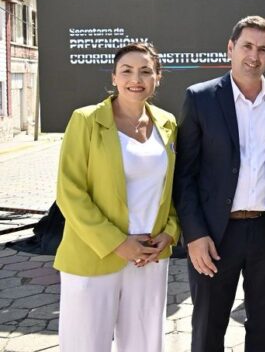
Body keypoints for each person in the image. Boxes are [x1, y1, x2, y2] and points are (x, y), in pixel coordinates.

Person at [173, 15, 265, 351]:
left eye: (263, 49)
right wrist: (194, 235)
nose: (255, 55)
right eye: (248, 46)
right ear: (231, 48)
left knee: (264, 326)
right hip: (215, 234)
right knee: (208, 328)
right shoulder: (200, 98)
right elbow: (185, 175)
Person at [55, 43, 179, 352]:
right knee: (86, 345)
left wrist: (170, 233)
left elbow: (173, 190)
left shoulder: (168, 124)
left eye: (146, 71)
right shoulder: (85, 120)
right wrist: (118, 243)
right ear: (114, 77)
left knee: (145, 345)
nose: (135, 78)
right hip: (94, 255)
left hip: (149, 256)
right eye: (126, 71)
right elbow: (69, 193)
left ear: (158, 78)